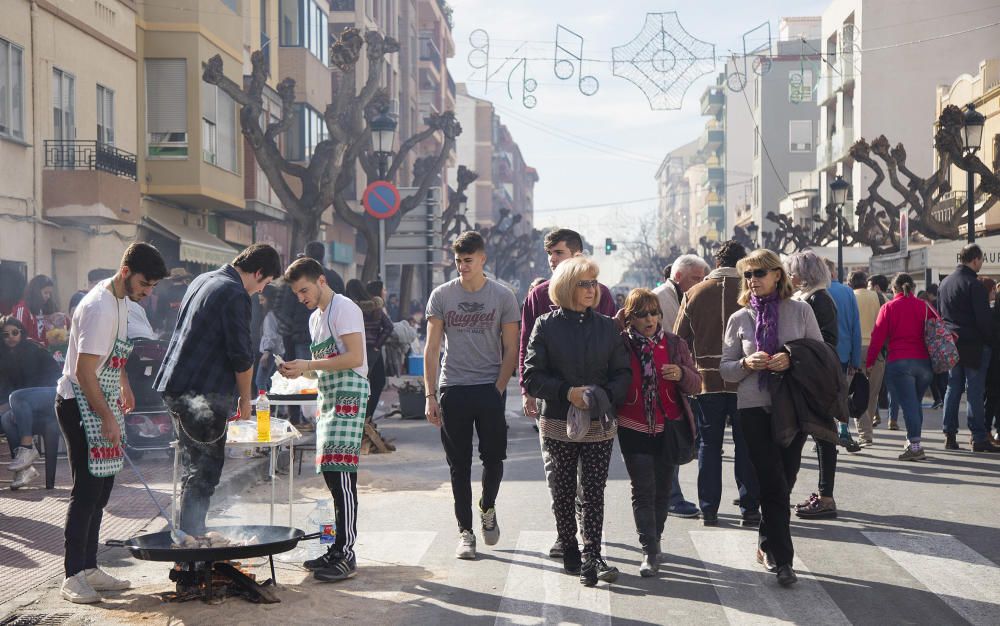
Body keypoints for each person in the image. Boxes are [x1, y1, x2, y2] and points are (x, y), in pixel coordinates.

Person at [55, 242, 167, 603]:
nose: (147, 293)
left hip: (102, 396)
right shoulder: (99, 307)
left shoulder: (121, 300)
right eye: (144, 284)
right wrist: (108, 418)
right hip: (78, 403)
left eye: (152, 287)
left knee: (102, 488)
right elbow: (84, 372)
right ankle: (72, 575)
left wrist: (125, 384)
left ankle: (89, 567)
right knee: (86, 489)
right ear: (125, 272)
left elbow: (112, 356)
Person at [155, 244, 282, 536]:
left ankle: (188, 539)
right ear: (258, 272)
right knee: (204, 472)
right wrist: (246, 402)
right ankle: (192, 546)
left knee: (193, 470)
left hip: (177, 386)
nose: (261, 290)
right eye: (263, 283)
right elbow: (241, 356)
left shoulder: (204, 279)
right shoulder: (234, 293)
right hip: (201, 392)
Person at [523, 256, 631, 587]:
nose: (591, 289)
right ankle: (569, 543)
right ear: (568, 287)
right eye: (584, 283)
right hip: (557, 421)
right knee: (563, 489)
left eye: (594, 283)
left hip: (599, 423)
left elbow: (623, 373)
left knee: (594, 491)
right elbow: (532, 375)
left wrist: (604, 395)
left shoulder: (607, 326)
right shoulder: (545, 325)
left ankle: (592, 555)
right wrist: (566, 392)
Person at [720, 249, 824, 587]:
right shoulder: (739, 318)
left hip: (792, 407)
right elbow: (725, 370)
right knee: (771, 481)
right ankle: (784, 560)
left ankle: (766, 542)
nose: (752, 281)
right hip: (753, 410)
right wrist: (747, 365)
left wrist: (790, 360)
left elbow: (819, 357)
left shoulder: (800, 310)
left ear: (777, 275)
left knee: (786, 477)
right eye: (747, 275)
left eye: (759, 274)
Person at [425, 231, 520, 560]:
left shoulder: (503, 296)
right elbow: (432, 347)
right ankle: (465, 532)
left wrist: (498, 388)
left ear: (482, 260)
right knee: (458, 465)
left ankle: (487, 507)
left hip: (489, 387)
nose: (462, 266)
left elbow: (512, 347)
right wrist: (430, 394)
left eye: (468, 260)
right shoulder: (442, 295)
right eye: (458, 261)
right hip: (454, 388)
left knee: (494, 459)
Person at [280, 258, 369, 582]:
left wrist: (308, 363)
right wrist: (298, 370)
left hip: (349, 392)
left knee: (342, 474)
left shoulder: (344, 307)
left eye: (304, 290)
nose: (301, 297)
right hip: (329, 395)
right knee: (332, 475)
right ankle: (336, 548)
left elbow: (355, 357)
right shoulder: (315, 318)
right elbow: (322, 365)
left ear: (320, 280)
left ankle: (346, 553)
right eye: (297, 293)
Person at [675, 240, 760, 527]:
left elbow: (679, 338)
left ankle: (709, 508)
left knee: (709, 446)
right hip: (745, 380)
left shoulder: (695, 293)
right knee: (747, 444)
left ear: (715, 261)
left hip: (706, 382)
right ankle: (750, 508)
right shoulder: (751, 291)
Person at [619, 288, 701, 576]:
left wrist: (681, 374)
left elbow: (696, 384)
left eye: (654, 313)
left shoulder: (675, 343)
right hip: (633, 426)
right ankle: (649, 550)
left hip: (669, 426)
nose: (650, 319)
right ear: (630, 318)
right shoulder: (621, 345)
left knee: (663, 491)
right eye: (642, 314)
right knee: (643, 490)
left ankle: (656, 539)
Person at [787, 251, 844, 521]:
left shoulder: (819, 299)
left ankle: (825, 496)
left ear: (804, 275)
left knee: (823, 436)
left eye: (792, 271)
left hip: (815, 377)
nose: (789, 276)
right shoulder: (806, 298)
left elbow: (827, 340)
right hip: (803, 376)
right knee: (802, 435)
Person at [653, 253, 710, 519]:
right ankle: (671, 498)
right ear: (678, 277)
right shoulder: (662, 298)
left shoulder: (684, 296)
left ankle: (669, 496)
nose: (700, 283)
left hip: (677, 378)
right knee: (670, 442)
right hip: (664, 381)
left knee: (674, 440)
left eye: (702, 278)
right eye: (696, 278)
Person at [866, 273, 936, 461]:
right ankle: (912, 441)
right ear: (912, 288)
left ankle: (915, 446)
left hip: (899, 362)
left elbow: (877, 337)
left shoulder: (888, 307)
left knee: (910, 405)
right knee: (915, 404)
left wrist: (869, 362)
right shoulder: (924, 306)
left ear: (894, 289)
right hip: (924, 364)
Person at [937, 244, 999, 452]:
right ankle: (978, 437)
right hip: (974, 345)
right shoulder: (974, 285)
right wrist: (989, 341)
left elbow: (940, 315)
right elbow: (983, 320)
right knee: (974, 390)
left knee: (952, 388)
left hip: (952, 343)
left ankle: (950, 434)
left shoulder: (945, 283)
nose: (981, 264)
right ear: (975, 260)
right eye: (981, 260)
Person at [1, 315, 62, 489]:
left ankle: (28, 448)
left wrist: (13, 402)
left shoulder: (32, 349)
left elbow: (37, 382)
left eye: (14, 332)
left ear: (22, 332)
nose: (10, 337)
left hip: (53, 393)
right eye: (5, 334)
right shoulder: (5, 358)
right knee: (6, 418)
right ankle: (23, 470)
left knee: (17, 397)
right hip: (26, 405)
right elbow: (7, 389)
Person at [824, 258, 862, 450]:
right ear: (833, 272)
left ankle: (824, 433)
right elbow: (856, 327)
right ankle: (844, 430)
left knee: (823, 392)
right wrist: (856, 358)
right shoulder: (847, 292)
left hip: (821, 353)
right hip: (843, 353)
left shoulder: (816, 292)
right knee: (842, 392)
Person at [345, 279, 393, 421]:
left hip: (356, 350)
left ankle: (361, 417)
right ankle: (368, 416)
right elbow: (389, 327)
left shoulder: (349, 309)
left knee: (359, 384)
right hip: (373, 351)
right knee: (377, 382)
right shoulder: (375, 307)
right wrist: (378, 344)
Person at [850, 270, 884, 446]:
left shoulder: (850, 297)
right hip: (876, 350)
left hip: (855, 349)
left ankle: (865, 434)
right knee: (872, 393)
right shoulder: (878, 297)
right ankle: (867, 431)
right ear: (865, 282)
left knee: (858, 391)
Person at [12, 274, 58, 346]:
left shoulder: (40, 309)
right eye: (46, 293)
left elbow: (40, 336)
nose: (48, 296)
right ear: (36, 292)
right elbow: (18, 336)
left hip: (37, 353)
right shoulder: (22, 308)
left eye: (50, 293)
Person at [256, 285, 283, 394]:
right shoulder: (278, 314)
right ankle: (273, 408)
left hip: (271, 353)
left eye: (262, 299)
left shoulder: (270, 316)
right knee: (271, 381)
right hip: (278, 353)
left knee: (260, 381)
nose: (260, 303)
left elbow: (270, 335)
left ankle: (263, 408)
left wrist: (266, 352)